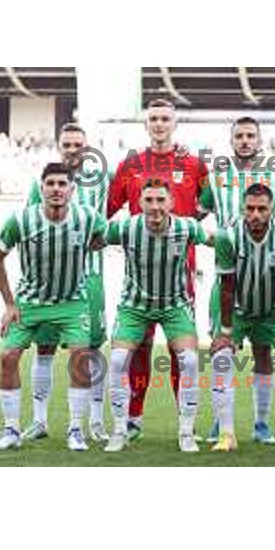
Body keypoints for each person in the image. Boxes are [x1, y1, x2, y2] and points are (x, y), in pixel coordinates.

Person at [108, 98, 208, 442]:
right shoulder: (131, 163)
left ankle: (187, 421)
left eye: (166, 118)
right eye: (154, 118)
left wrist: (191, 230)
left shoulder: (193, 164)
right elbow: (108, 208)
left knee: (182, 354)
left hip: (181, 277)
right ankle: (133, 417)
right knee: (138, 350)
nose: (160, 124)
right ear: (146, 123)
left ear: (175, 123)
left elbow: (211, 207)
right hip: (140, 275)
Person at [0, 163, 107, 451]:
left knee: (80, 358)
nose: (56, 189)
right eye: (50, 183)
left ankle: (76, 429)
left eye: (62, 184)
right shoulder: (21, 220)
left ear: (72, 189)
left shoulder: (88, 217)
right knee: (7, 356)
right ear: (41, 189)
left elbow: (101, 239)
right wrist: (9, 303)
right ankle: (11, 429)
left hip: (72, 301)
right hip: (30, 303)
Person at [199, 116, 275, 443]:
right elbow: (196, 215)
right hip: (229, 273)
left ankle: (261, 424)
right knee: (221, 348)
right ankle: (220, 421)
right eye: (239, 136)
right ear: (231, 141)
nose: (245, 141)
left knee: (262, 353)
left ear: (260, 139)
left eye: (250, 135)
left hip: (267, 276)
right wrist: (207, 236)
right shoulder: (215, 179)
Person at [23, 123, 111, 443]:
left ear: (87, 147)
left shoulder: (104, 178)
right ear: (59, 146)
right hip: (50, 283)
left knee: (91, 349)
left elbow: (108, 224)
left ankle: (96, 422)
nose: (72, 149)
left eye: (78, 144)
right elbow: (32, 225)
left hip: (89, 279)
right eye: (67, 144)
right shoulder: (44, 184)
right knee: (43, 347)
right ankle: (39, 421)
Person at [210, 184, 275, 452]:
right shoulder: (227, 235)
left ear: (271, 210)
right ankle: (226, 433)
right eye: (250, 208)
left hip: (273, 307)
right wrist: (226, 332)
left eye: (261, 209)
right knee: (221, 357)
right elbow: (227, 284)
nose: (255, 214)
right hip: (237, 306)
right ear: (243, 208)